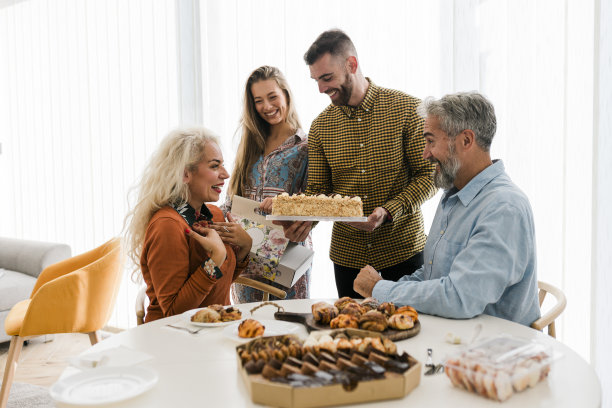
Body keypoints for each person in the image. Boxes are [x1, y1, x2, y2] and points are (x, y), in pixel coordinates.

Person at [354, 92, 540, 326]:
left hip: (494, 352)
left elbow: (459, 297)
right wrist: (385, 294)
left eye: (431, 141)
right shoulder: (454, 194)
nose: (425, 154)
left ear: (466, 140)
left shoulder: (504, 208)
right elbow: (433, 274)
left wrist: (380, 288)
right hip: (455, 336)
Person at [280, 29, 437, 298]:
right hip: (347, 260)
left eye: (327, 78)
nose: (321, 89)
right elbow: (319, 191)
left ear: (351, 65)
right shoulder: (320, 127)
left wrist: (388, 211)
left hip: (404, 254)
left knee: (408, 334)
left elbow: (429, 175)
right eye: (316, 80)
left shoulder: (408, 109)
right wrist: (303, 221)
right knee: (352, 334)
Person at [125, 127, 252, 323]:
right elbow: (175, 313)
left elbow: (216, 285)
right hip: (175, 338)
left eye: (223, 165)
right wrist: (215, 258)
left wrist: (244, 248)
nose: (226, 174)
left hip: (213, 330)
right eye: (214, 166)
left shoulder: (214, 215)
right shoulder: (167, 226)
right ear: (185, 174)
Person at [222, 65, 311, 302]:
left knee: (286, 330)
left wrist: (287, 206)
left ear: (286, 95)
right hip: (246, 259)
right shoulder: (249, 144)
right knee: (249, 328)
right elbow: (230, 201)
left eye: (273, 97)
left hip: (287, 257)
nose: (267, 107)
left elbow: (316, 202)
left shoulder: (305, 146)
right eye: (259, 100)